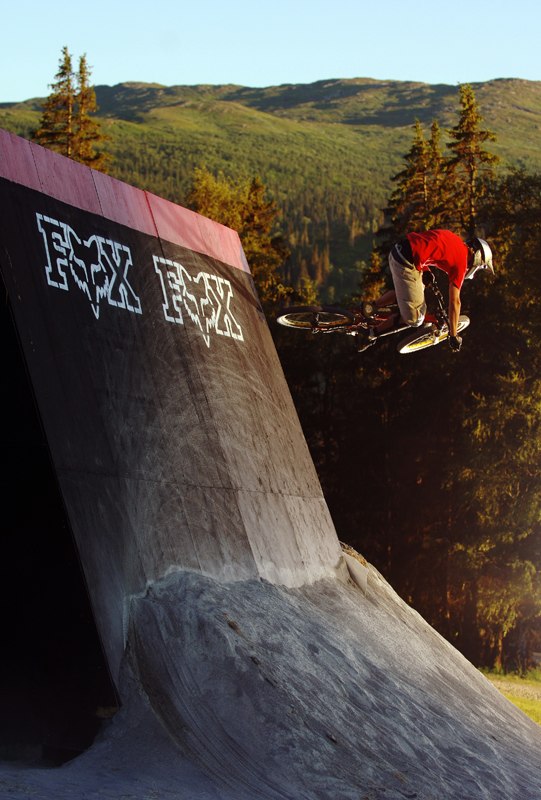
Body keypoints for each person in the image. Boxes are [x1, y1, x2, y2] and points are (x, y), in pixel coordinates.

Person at [364, 229, 494, 352]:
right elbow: (455, 302)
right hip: (406, 262)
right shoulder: (462, 262)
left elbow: (426, 244)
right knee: (415, 319)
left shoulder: (453, 238)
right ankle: (371, 334)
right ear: (477, 257)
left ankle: (372, 307)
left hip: (398, 251)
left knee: (415, 286)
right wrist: (453, 335)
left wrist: (426, 270)